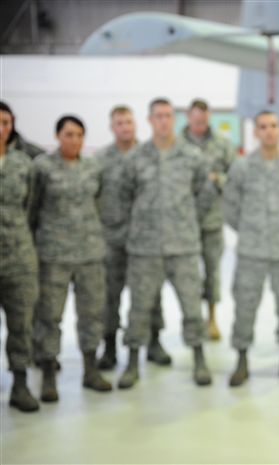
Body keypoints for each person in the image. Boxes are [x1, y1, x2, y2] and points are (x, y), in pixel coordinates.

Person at [117, 98, 214, 389]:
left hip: (183, 246)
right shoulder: (135, 158)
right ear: (149, 120)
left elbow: (205, 195)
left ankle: (199, 358)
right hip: (145, 250)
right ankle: (133, 361)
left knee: (192, 307)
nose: (163, 121)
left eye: (168, 116)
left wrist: (185, 222)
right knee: (139, 308)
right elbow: (122, 198)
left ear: (175, 119)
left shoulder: (192, 156)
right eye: (158, 116)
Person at [223, 110, 279, 386]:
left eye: (273, 125)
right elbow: (230, 207)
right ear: (256, 132)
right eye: (263, 126)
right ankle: (241, 359)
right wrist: (250, 230)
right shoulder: (242, 167)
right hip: (251, 250)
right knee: (245, 305)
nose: (269, 131)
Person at [32, 115, 113, 402]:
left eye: (79, 135)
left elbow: (100, 203)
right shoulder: (42, 167)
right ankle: (48, 374)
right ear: (58, 136)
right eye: (69, 134)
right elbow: (33, 208)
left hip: (90, 253)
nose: (74, 140)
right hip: (54, 255)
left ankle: (90, 369)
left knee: (91, 314)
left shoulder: (93, 167)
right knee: (50, 316)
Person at [95, 105, 171, 370]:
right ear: (112, 127)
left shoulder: (149, 155)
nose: (125, 127)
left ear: (136, 124)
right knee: (109, 296)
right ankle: (110, 347)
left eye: (129, 122)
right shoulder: (101, 159)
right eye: (119, 123)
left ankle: (154, 342)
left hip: (146, 238)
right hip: (112, 239)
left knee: (151, 295)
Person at [182, 99, 236, 341]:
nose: (200, 126)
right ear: (188, 118)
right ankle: (191, 321)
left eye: (203, 122)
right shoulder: (177, 145)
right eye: (195, 122)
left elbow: (236, 178)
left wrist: (219, 179)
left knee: (212, 273)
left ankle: (211, 318)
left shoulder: (223, 145)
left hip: (213, 221)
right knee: (187, 275)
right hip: (183, 222)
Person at [0, 101, 40, 412]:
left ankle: (21, 382)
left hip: (18, 258)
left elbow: (34, 209)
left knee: (21, 324)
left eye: (6, 123)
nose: (1, 129)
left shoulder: (23, 164)